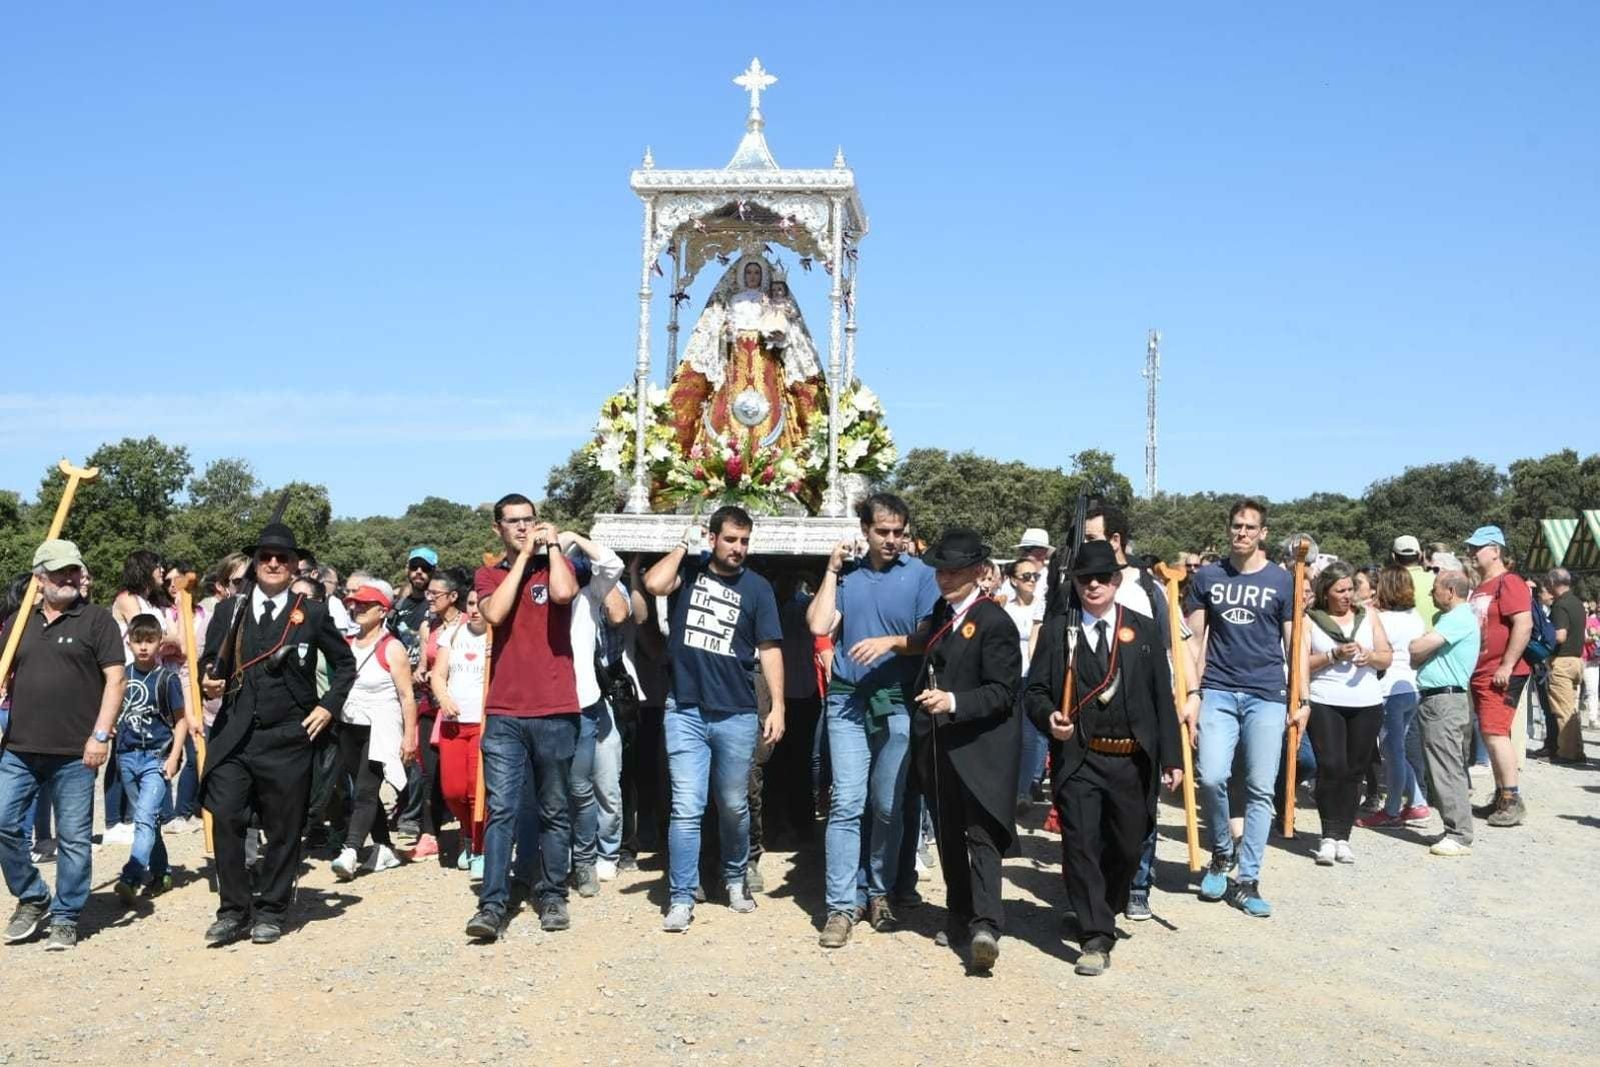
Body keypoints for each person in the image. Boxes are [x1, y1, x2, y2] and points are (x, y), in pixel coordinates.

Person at [1025, 540, 1183, 976]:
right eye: (1083, 578)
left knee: (1128, 846)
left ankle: (1102, 908)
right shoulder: (1059, 629)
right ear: (1074, 583)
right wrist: (1048, 718)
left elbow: (1161, 698)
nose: (1092, 585)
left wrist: (1173, 757)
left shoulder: (1144, 629)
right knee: (1080, 845)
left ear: (1116, 581)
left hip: (1132, 761)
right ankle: (1096, 935)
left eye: (1101, 577)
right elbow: (1034, 692)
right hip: (1080, 759)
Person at [198, 522, 356, 946]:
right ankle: (233, 910)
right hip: (234, 734)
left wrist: (328, 706)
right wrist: (208, 680)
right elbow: (210, 663)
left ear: (293, 565)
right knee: (226, 819)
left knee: (284, 827)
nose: (272, 563)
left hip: (288, 736)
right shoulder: (228, 610)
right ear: (255, 562)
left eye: (281, 558)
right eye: (265, 556)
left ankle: (271, 908)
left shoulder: (313, 612)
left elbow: (345, 665)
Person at [643, 506, 785, 934]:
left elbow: (771, 648)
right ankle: (682, 896)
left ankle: (735, 877)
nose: (738, 548)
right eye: (730, 540)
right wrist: (685, 544)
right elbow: (653, 583)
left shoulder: (758, 589)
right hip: (685, 709)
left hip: (738, 713)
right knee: (687, 807)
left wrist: (777, 705)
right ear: (712, 537)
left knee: (733, 805)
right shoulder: (686, 572)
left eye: (744, 541)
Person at [806, 493, 938, 945]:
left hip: (899, 701)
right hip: (846, 701)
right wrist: (830, 570)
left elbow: (928, 637)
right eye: (883, 531)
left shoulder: (922, 576)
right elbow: (819, 625)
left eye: (899, 532)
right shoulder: (847, 577)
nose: (892, 540)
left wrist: (890, 643)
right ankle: (841, 905)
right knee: (846, 804)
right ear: (865, 530)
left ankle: (880, 891)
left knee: (888, 805)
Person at [0, 540, 125, 951]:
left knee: (73, 837)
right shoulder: (19, 622)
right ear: (40, 579)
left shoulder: (97, 620)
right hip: (19, 748)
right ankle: (34, 898)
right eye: (59, 573)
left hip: (76, 751)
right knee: (2, 822)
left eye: (73, 570)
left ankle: (67, 915)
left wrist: (100, 734)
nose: (69, 578)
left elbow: (116, 680)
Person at [465, 496, 580, 943]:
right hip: (506, 712)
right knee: (503, 811)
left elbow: (564, 594)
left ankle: (552, 894)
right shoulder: (490, 574)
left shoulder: (558, 566)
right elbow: (494, 613)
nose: (522, 527)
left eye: (529, 520)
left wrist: (551, 550)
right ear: (498, 529)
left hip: (556, 708)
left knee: (554, 810)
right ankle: (492, 904)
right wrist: (523, 559)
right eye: (513, 522)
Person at [1182, 499, 1303, 918]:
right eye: (1237, 526)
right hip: (1216, 689)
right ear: (1228, 529)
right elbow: (1193, 640)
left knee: (1259, 788)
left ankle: (1248, 878)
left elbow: (1295, 641)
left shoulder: (1281, 580)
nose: (1243, 533)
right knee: (1212, 776)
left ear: (1263, 533)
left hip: (1267, 693)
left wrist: (1299, 699)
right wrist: (1192, 693)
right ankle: (1221, 853)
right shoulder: (1208, 577)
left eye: (1251, 527)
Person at [910, 527, 1021, 972]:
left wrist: (953, 701)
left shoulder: (995, 622)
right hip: (940, 746)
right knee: (949, 834)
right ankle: (957, 913)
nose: (944, 578)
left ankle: (986, 924)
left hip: (982, 748)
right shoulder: (941, 612)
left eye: (954, 571)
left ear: (977, 572)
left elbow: (1002, 692)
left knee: (981, 836)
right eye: (940, 569)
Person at [1302, 562, 1392, 865]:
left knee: (1355, 771)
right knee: (1331, 766)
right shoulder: (1310, 620)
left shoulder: (1369, 617)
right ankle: (1328, 834)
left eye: (1350, 589)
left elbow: (1386, 656)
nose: (1346, 595)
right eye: (1339, 590)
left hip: (1366, 701)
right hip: (1325, 699)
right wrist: (1332, 655)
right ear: (1325, 592)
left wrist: (1370, 657)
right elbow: (1301, 664)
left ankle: (1344, 837)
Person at [331, 581, 418, 881]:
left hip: (380, 726)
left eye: (366, 605)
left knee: (367, 789)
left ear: (382, 611)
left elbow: (407, 695)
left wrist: (410, 736)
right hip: (349, 723)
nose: (357, 608)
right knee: (362, 788)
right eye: (355, 603)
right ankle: (383, 847)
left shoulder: (392, 647)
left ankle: (351, 851)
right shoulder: (348, 643)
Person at [559, 530, 626, 895]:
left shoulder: (590, 594)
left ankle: (597, 858)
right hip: (550, 705)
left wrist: (573, 538)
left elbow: (611, 569)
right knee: (558, 790)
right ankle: (563, 859)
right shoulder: (541, 597)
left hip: (590, 702)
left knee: (594, 788)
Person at [110, 614, 190, 905]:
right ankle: (161, 871)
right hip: (126, 757)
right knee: (149, 820)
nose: (143, 647)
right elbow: (111, 710)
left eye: (150, 640)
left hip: (156, 758)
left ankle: (131, 875)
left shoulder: (166, 679)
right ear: (128, 642)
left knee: (144, 817)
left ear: (159, 643)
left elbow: (181, 721)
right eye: (137, 640)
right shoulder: (121, 676)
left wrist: (174, 756)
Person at [1406, 570, 1482, 857]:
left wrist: (1419, 648)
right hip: (1439, 700)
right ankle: (1455, 827)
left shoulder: (1459, 617)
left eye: (1436, 588)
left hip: (1445, 701)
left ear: (1450, 591)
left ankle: (1459, 834)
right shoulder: (1447, 620)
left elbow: (1417, 648)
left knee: (1446, 767)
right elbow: (1416, 656)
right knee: (1445, 765)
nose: (1430, 593)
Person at [1463, 526, 1532, 827]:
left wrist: (1506, 664)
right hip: (1483, 671)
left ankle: (1512, 799)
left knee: (1495, 733)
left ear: (1495, 550)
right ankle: (1502, 794)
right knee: (1491, 735)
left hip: (1500, 672)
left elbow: (1523, 624)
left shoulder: (1509, 582)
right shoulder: (1483, 586)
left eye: (1477, 548)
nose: (1471, 553)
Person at [1357, 564, 1432, 830]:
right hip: (1411, 688)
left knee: (1392, 752)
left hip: (1389, 689)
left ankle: (1391, 811)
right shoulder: (1415, 617)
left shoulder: (1382, 620)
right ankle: (1418, 803)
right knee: (1398, 750)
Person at [406, 566, 470, 862]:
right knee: (428, 775)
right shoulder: (427, 627)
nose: (428, 597)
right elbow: (421, 665)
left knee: (461, 778)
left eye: (435, 593)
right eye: (428, 593)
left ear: (453, 596)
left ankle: (467, 833)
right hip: (430, 708)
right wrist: (422, 674)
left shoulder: (471, 625)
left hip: (460, 709)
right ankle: (429, 834)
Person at [431, 589, 489, 874]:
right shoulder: (452, 634)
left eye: (480, 603)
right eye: (470, 603)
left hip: (483, 724)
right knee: (453, 791)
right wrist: (443, 698)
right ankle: (467, 833)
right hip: (452, 724)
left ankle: (480, 848)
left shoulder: (497, 634)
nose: (475, 609)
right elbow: (438, 675)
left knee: (477, 791)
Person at [391, 546, 438, 843]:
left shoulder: (435, 606)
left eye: (425, 568)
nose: (419, 572)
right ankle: (404, 806)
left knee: (419, 754)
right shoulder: (398, 606)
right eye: (415, 567)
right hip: (395, 685)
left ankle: (414, 816)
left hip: (424, 691)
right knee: (397, 753)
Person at [1001, 559, 1045, 808]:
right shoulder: (1005, 608)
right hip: (1009, 675)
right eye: (1026, 576)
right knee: (1009, 733)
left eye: (1035, 576)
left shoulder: (1043, 608)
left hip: (1032, 674)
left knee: (1030, 735)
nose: (1031, 580)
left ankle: (1024, 791)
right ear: (1013, 580)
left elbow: (1038, 643)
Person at [1542, 568, 1586, 764]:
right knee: (1572, 710)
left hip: (1562, 661)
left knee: (1562, 710)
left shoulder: (1560, 606)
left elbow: (1560, 635)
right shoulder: (1577, 603)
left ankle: (1567, 754)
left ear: (1552, 582)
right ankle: (1577, 750)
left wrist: (1543, 640)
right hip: (1577, 661)